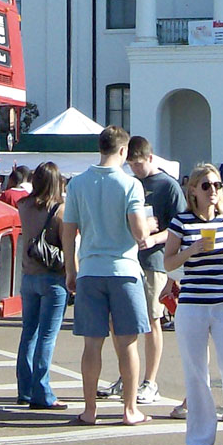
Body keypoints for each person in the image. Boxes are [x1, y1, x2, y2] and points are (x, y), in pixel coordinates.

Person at [62, 124, 153, 427]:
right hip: (124, 270)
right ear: (124, 150)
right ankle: (129, 409)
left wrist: (70, 269)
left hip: (90, 269)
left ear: (100, 148)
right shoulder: (130, 185)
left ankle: (90, 409)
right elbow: (139, 232)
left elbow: (69, 230)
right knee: (127, 344)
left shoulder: (77, 184)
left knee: (92, 344)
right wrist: (151, 227)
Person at [165, 162, 223, 445]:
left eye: (217, 186)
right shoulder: (181, 222)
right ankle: (200, 438)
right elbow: (168, 263)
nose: (213, 191)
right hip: (192, 304)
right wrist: (192, 250)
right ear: (193, 191)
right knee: (196, 373)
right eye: (206, 186)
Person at [115, 134, 184, 404]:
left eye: (139, 164)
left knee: (153, 320)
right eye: (131, 164)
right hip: (130, 258)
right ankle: (127, 376)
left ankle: (150, 381)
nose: (135, 169)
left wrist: (154, 237)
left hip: (155, 261)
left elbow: (179, 227)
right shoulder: (129, 183)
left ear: (150, 159)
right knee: (126, 321)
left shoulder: (167, 185)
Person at [16, 161, 69, 410]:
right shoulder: (60, 210)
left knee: (29, 333)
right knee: (47, 336)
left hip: (29, 276)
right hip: (52, 277)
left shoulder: (23, 206)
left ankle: (24, 389)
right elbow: (67, 244)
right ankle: (42, 391)